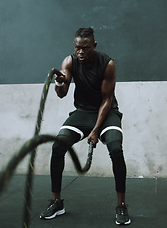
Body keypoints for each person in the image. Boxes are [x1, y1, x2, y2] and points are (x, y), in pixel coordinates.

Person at [39, 27, 131, 225]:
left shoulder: (107, 64)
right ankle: (56, 202)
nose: (80, 52)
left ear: (94, 46)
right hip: (82, 113)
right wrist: (60, 83)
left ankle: (121, 205)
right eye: (77, 47)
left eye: (85, 48)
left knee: (116, 149)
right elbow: (62, 93)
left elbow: (107, 99)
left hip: (107, 113)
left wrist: (96, 131)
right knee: (58, 147)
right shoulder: (69, 62)